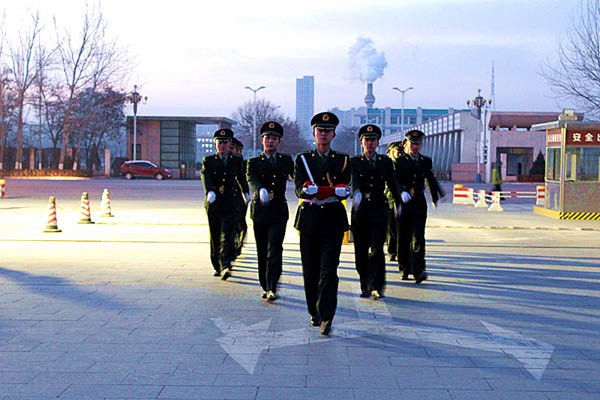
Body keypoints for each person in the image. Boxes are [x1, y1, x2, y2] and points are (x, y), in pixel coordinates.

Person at [294, 111, 351, 335]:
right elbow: (299, 187)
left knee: (329, 270)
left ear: (334, 134)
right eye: (320, 130)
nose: (324, 134)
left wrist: (341, 191)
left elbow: (345, 187)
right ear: (314, 133)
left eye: (328, 131)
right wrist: (307, 190)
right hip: (309, 219)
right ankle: (314, 312)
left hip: (333, 219)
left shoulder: (343, 160)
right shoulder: (303, 159)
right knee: (310, 269)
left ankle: (327, 315)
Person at [350, 124, 400, 299]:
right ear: (361, 142)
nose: (370, 143)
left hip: (379, 209)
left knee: (378, 249)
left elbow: (392, 182)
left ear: (378, 143)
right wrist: (356, 192)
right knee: (361, 250)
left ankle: (378, 285)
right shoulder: (355, 161)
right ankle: (365, 284)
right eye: (366, 140)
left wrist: (399, 201)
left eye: (373, 140)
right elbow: (353, 179)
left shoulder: (385, 162)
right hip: (361, 210)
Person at [247, 121, 294, 302]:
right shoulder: (253, 162)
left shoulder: (285, 160)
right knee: (262, 249)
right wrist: (260, 190)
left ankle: (273, 285)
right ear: (262, 140)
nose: (270, 141)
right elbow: (251, 179)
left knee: (275, 248)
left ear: (279, 141)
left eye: (274, 138)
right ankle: (265, 285)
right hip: (260, 210)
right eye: (267, 138)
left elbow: (294, 176)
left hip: (278, 211)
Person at [394, 129, 444, 283]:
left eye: (417, 143)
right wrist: (401, 192)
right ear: (406, 143)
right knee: (404, 236)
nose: (414, 146)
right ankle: (404, 268)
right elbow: (394, 180)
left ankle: (419, 270)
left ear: (421, 144)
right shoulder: (399, 161)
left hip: (419, 201)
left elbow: (430, 178)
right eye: (412, 143)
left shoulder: (425, 161)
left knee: (419, 237)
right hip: (405, 201)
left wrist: (435, 197)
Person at [200, 128, 249, 280]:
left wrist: (245, 192)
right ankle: (217, 264)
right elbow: (205, 176)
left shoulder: (236, 160)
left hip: (229, 201)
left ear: (230, 144)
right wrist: (209, 191)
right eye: (219, 143)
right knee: (215, 235)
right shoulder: (208, 160)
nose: (222, 146)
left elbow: (241, 177)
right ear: (215, 144)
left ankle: (226, 264)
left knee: (228, 233)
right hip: (214, 202)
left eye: (225, 143)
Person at [385, 141, 403, 263]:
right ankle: (392, 250)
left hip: (402, 198)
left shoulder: (405, 164)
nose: (400, 154)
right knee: (391, 225)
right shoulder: (387, 164)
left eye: (401, 152)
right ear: (391, 152)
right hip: (390, 198)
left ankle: (400, 250)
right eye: (398, 152)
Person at [231, 138, 248, 257]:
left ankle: (239, 243)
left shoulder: (245, 164)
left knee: (240, 221)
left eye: (233, 148)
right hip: (227, 197)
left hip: (240, 197)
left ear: (239, 151)